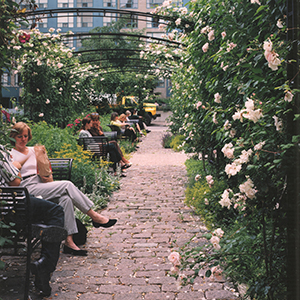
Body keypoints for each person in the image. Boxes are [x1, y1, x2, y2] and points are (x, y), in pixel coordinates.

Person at [9, 122, 117, 257]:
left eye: (25, 136)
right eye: (19, 136)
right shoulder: (10, 154)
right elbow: (12, 177)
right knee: (67, 185)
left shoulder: (34, 150)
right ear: (13, 137)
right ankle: (94, 216)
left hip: (40, 184)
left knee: (65, 199)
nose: (23, 139)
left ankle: (69, 242)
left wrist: (46, 170)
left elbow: (46, 173)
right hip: (26, 188)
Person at [0, 144, 67, 297]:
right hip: (11, 212)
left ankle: (44, 257)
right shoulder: (0, 152)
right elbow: (15, 182)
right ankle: (46, 265)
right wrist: (15, 166)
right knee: (55, 210)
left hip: (9, 213)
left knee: (45, 210)